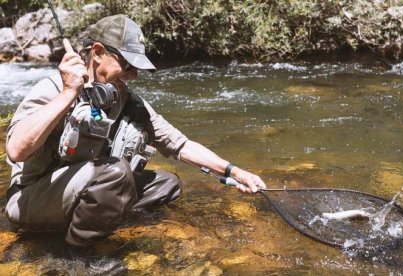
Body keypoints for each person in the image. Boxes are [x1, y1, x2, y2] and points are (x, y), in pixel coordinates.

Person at [5, 14, 266, 247]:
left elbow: (180, 145)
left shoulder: (125, 99)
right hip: (30, 200)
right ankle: (79, 254)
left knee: (167, 185)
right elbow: (16, 150)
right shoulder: (52, 89)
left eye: (136, 68)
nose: (133, 76)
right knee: (116, 172)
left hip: (82, 190)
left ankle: (97, 223)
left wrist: (235, 171)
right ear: (97, 52)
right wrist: (68, 93)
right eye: (127, 65)